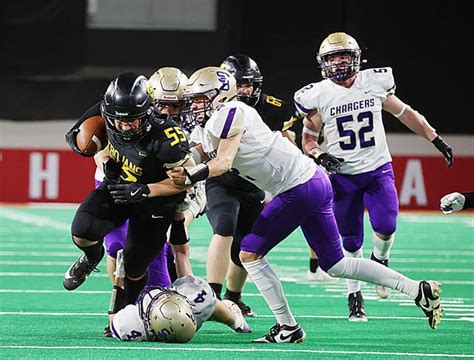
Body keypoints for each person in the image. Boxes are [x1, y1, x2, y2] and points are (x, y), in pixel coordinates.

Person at [168, 66, 443, 343]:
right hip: (312, 181)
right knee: (336, 264)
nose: (196, 104)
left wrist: (192, 174)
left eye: (203, 98)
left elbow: (223, 162)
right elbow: (199, 149)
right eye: (194, 99)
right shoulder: (213, 120)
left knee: (249, 253)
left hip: (297, 187)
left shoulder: (232, 112)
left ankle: (288, 326)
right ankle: (416, 290)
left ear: (221, 95)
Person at [294, 32, 453, 322]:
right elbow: (307, 137)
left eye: (344, 56)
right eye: (332, 58)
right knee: (351, 242)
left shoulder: (373, 84)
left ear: (356, 59)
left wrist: (435, 138)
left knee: (386, 224)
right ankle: (354, 297)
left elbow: (405, 113)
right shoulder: (318, 95)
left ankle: (381, 263)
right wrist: (318, 154)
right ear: (323, 63)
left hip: (378, 169)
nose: (339, 63)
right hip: (343, 177)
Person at [63, 73, 192, 318]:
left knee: (134, 265)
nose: (124, 126)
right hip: (120, 187)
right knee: (82, 231)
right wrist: (104, 159)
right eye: (118, 120)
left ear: (147, 112)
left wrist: (146, 190)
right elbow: (84, 140)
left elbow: (183, 182)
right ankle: (92, 257)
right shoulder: (105, 111)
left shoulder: (167, 136)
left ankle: (129, 312)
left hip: (156, 200)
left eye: (132, 120)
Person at [221, 54, 335, 284]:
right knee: (235, 234)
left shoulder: (273, 108)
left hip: (269, 175)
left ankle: (315, 266)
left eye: (247, 85)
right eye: (238, 85)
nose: (243, 91)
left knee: (305, 209)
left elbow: (288, 137)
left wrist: (305, 161)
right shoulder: (219, 111)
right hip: (233, 177)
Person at [111, 273, 251, 342]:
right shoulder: (196, 300)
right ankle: (237, 322)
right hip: (191, 310)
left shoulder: (134, 325)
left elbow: (113, 323)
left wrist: (118, 285)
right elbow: (182, 255)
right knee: (208, 305)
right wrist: (235, 322)